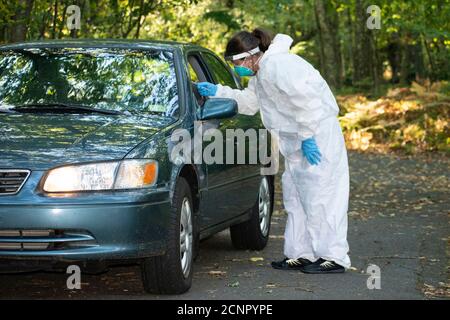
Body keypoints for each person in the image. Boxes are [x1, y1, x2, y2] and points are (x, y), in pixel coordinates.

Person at [196, 28, 351, 273]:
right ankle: (301, 253)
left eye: (237, 62)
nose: (237, 68)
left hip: (317, 136)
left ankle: (333, 257)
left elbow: (307, 100)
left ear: (250, 56)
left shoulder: (280, 65)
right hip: (295, 140)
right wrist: (218, 92)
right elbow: (250, 103)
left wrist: (308, 137)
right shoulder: (260, 75)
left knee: (323, 195)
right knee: (297, 196)